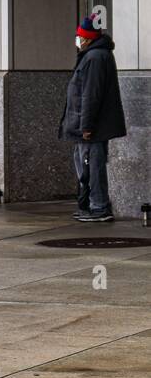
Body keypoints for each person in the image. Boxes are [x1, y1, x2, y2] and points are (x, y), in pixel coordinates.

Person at [59, 12, 127, 222]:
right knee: (86, 164)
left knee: (92, 166)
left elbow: (91, 95)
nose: (77, 41)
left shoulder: (95, 57)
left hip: (91, 128)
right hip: (87, 126)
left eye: (80, 37)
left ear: (87, 38)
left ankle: (99, 206)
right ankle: (90, 205)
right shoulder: (92, 56)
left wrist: (86, 126)